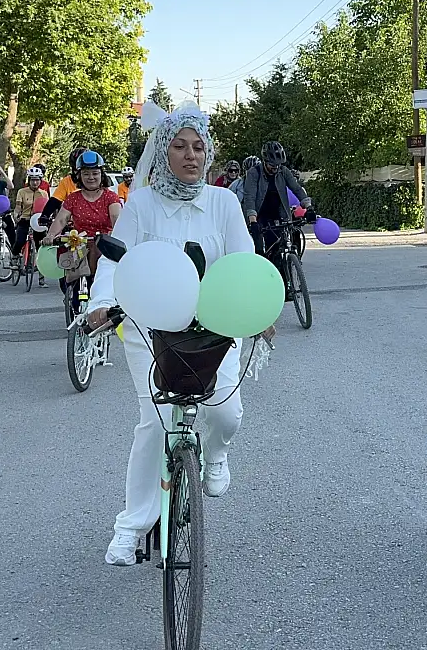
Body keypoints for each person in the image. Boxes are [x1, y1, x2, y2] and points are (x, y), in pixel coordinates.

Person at [85, 102, 265, 566]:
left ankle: (216, 454)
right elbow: (114, 258)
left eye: (199, 147)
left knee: (227, 414)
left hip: (212, 326)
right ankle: (132, 524)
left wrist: (257, 310)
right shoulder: (143, 202)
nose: (191, 155)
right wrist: (100, 303)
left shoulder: (223, 202)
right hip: (151, 328)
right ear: (164, 151)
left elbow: (242, 262)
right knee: (157, 423)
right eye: (181, 146)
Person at [45, 151, 122, 312]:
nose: (91, 177)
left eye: (95, 173)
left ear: (102, 175)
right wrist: (51, 235)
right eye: (86, 174)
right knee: (71, 286)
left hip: (103, 247)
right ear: (79, 176)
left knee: (102, 286)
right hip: (79, 246)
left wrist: (119, 237)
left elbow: (116, 218)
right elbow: (61, 219)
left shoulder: (111, 197)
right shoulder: (73, 198)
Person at [243, 141, 313, 295]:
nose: (276, 168)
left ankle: (286, 284)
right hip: (260, 215)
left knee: (283, 245)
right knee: (262, 251)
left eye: (278, 165)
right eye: (272, 165)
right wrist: (253, 220)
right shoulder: (254, 173)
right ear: (265, 161)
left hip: (279, 213)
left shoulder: (283, 171)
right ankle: (262, 282)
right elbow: (249, 197)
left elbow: (296, 188)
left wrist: (308, 207)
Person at [12, 166, 50, 285]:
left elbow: (47, 209)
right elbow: (18, 207)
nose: (35, 182)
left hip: (38, 222)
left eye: (37, 180)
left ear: (41, 180)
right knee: (19, 240)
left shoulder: (44, 194)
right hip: (24, 219)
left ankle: (42, 275)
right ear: (29, 180)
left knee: (41, 247)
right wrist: (16, 216)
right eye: (32, 180)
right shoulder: (21, 192)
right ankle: (15, 258)